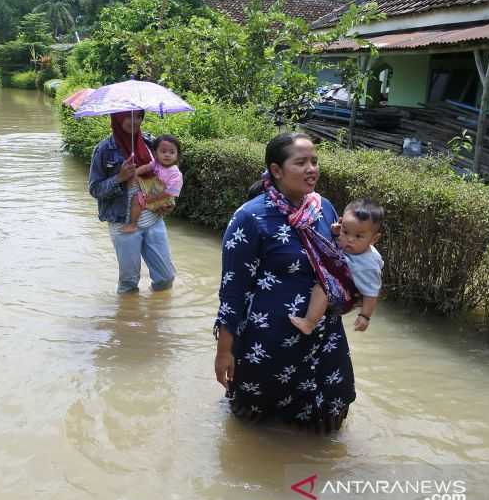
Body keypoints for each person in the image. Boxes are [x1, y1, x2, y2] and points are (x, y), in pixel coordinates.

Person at [213, 133, 356, 431]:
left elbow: (337, 261)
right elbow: (233, 289)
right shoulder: (251, 217)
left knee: (328, 420)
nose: (311, 169)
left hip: (322, 335)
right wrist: (224, 350)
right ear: (276, 170)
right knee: (253, 425)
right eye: (301, 162)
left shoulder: (323, 208)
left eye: (314, 161)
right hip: (269, 340)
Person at [88, 110, 177, 294]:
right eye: (129, 116)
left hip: (153, 218)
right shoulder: (104, 149)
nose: (135, 121)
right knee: (129, 283)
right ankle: (126, 320)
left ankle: (157, 318)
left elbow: (167, 171)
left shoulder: (150, 143)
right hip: (123, 222)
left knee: (166, 278)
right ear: (118, 118)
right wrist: (119, 178)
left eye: (139, 116)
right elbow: (95, 189)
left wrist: (167, 201)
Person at [290, 198, 385, 334]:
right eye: (345, 232)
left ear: (374, 239)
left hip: (346, 297)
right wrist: (336, 233)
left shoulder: (368, 265)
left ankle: (309, 323)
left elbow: (372, 293)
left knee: (322, 289)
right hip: (341, 279)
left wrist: (365, 316)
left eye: (359, 236)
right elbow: (338, 243)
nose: (350, 239)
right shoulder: (353, 245)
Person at [121, 134, 184, 233]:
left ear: (177, 156)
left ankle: (134, 224)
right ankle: (133, 224)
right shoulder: (156, 164)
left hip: (164, 199)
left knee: (158, 208)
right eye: (163, 151)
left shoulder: (176, 174)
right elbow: (146, 167)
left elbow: (170, 192)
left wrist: (154, 198)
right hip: (152, 193)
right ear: (155, 154)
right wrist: (135, 173)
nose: (167, 155)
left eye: (172, 152)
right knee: (136, 199)